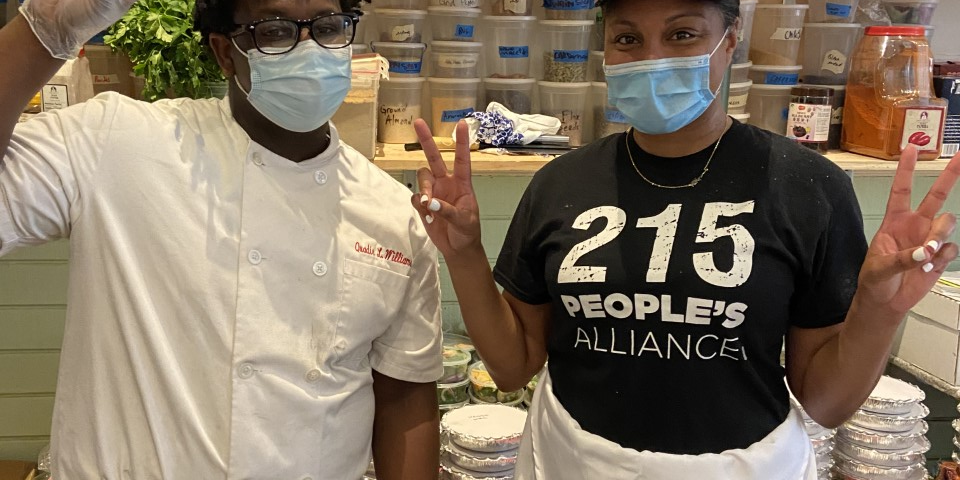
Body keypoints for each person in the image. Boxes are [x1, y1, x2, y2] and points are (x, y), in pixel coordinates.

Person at [412, 0, 960, 478]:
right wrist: (461, 255)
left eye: (681, 34)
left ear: (731, 36)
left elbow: (826, 400)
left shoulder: (807, 186)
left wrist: (879, 311)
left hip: (745, 467)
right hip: (574, 460)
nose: (652, 57)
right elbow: (512, 366)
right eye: (627, 38)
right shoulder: (560, 182)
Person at [0, 0, 443, 478]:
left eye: (329, 27)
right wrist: (42, 31)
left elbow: (405, 396)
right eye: (275, 31)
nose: (310, 48)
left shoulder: (393, 213)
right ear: (225, 52)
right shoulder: (115, 145)